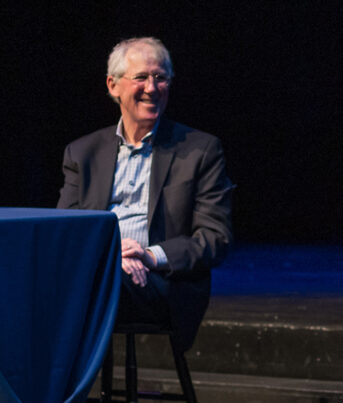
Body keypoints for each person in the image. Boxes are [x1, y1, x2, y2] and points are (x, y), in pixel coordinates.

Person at [58, 37, 233, 351]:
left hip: (161, 281)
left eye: (160, 78)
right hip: (98, 272)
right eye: (141, 77)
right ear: (113, 86)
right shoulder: (83, 153)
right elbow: (65, 231)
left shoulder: (200, 150)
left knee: (71, 292)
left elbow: (214, 238)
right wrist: (110, 257)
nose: (152, 88)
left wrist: (148, 255)